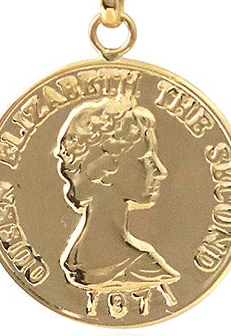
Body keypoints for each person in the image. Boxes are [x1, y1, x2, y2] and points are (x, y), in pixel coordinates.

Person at [56, 94, 180, 293]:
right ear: (106, 169)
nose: (160, 171)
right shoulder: (143, 268)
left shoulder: (80, 260)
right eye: (147, 159)